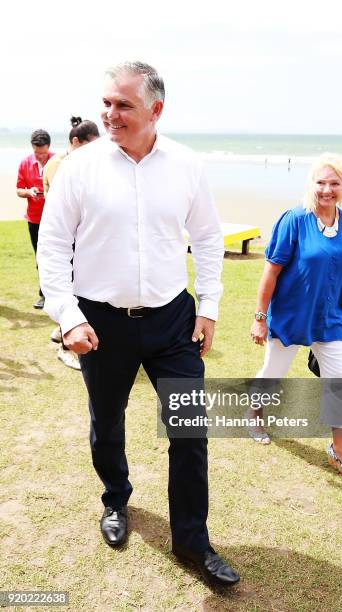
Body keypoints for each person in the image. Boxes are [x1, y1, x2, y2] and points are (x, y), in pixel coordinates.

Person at [37, 61, 240, 586]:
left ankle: (192, 542)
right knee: (107, 422)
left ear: (156, 109)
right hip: (100, 322)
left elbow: (209, 238)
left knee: (190, 433)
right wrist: (68, 314)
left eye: (123, 104)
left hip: (173, 320)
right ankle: (116, 501)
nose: (109, 114)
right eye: (106, 103)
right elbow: (55, 245)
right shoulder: (80, 168)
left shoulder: (187, 165)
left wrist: (209, 305)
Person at [249, 153, 342, 485]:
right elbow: (271, 271)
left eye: (334, 183)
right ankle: (254, 412)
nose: (326, 189)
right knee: (273, 373)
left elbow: (339, 272)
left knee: (340, 383)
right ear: (311, 184)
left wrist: (339, 310)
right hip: (291, 314)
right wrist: (260, 318)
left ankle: (340, 450)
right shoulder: (294, 219)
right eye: (321, 182)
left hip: (331, 319)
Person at [43, 116, 100, 371]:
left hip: (84, 239)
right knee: (72, 287)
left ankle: (62, 330)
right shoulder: (62, 165)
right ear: (76, 142)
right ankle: (65, 345)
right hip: (68, 236)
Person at [16, 129, 54, 309]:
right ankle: (44, 295)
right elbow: (19, 189)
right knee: (41, 259)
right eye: (36, 153)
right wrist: (29, 192)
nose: (40, 156)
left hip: (56, 218)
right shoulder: (25, 163)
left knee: (62, 257)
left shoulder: (59, 161)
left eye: (43, 153)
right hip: (35, 219)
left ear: (49, 147)